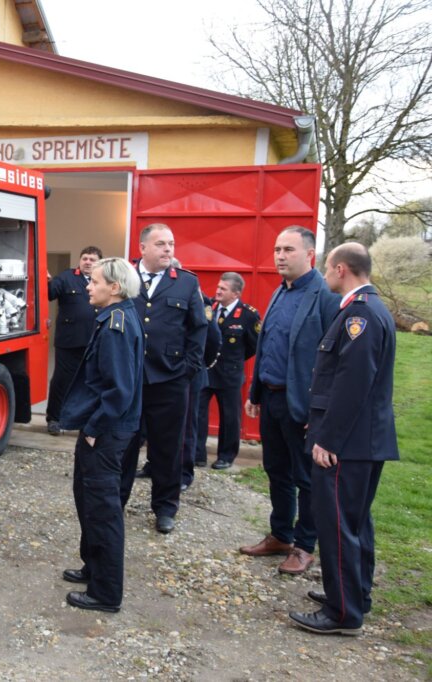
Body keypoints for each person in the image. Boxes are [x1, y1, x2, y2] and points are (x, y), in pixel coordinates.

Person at [289, 243, 398, 636]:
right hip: (360, 440)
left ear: (340, 269)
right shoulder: (369, 309)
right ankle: (355, 594)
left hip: (347, 445)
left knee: (336, 524)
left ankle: (342, 613)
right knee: (355, 522)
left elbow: (352, 385)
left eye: (327, 267)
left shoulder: (360, 315)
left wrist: (327, 438)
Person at [239, 226, 339, 575]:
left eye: (288, 250)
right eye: (277, 249)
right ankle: (280, 534)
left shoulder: (324, 295)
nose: (280, 256)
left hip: (303, 405)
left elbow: (334, 358)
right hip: (272, 398)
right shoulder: (280, 292)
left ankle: (303, 545)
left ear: (310, 254)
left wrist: (321, 409)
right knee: (276, 470)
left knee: (306, 477)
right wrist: (255, 393)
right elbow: (268, 345)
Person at [57, 258, 143, 613]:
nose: (87, 287)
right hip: (100, 426)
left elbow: (119, 391)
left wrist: (93, 429)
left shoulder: (116, 326)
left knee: (102, 510)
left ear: (115, 288)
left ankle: (105, 593)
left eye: (94, 282)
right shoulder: (111, 318)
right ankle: (93, 567)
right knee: (87, 501)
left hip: (105, 431)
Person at [118, 224, 207, 534]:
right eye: (161, 244)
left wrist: (188, 370)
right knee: (124, 444)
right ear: (143, 248)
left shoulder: (185, 283)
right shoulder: (124, 278)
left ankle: (165, 507)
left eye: (171, 243)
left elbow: (198, 329)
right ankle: (117, 500)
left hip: (170, 382)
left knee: (167, 448)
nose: (168, 249)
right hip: (130, 380)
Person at [196, 273, 260, 470]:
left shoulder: (248, 315)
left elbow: (254, 345)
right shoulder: (211, 308)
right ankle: (198, 455)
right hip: (207, 371)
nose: (217, 291)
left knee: (230, 416)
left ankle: (226, 456)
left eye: (223, 289)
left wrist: (235, 360)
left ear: (236, 293)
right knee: (198, 414)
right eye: (218, 287)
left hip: (230, 374)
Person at [46, 245, 103, 435]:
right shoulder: (67, 277)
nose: (87, 262)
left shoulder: (105, 280)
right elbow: (49, 293)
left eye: (92, 259)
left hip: (95, 342)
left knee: (91, 382)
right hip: (69, 341)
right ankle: (54, 418)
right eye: (85, 258)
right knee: (63, 380)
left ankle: (84, 421)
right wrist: (44, 280)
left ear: (99, 263)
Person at [180, 287, 221, 491]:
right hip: (166, 375)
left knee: (187, 427)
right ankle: (155, 465)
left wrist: (198, 365)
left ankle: (185, 474)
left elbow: (213, 337)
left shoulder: (197, 298)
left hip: (191, 374)